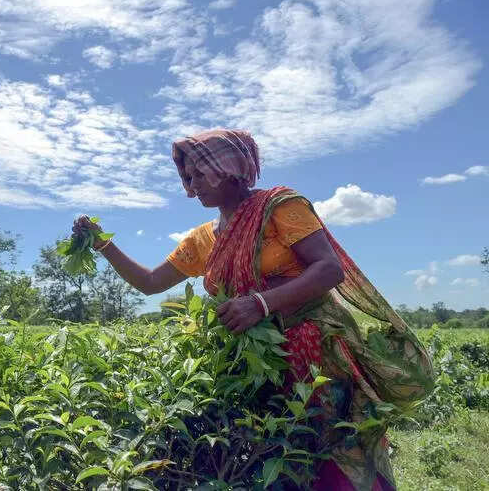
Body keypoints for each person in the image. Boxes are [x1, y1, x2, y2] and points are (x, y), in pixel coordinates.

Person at [72, 129, 433, 491]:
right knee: (274, 454)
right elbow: (151, 282)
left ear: (231, 170)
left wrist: (261, 303)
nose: (192, 185)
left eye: (199, 174)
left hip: (314, 356)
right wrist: (102, 244)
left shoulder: (280, 207)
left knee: (331, 449)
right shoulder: (203, 238)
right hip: (255, 365)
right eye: (188, 177)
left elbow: (328, 269)